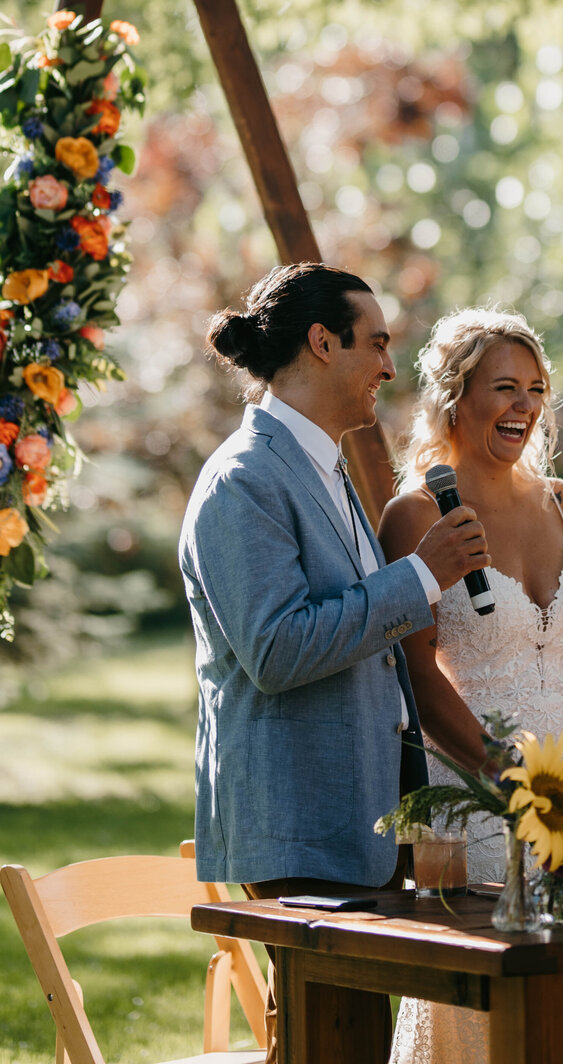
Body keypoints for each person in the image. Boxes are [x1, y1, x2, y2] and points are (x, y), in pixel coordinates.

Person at [179, 262, 491, 1064]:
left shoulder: (327, 467)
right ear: (323, 343)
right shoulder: (242, 482)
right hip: (297, 831)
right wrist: (421, 575)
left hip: (360, 825)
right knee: (331, 1048)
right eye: (377, 344)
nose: (390, 367)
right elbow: (277, 650)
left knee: (356, 1043)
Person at [379, 306, 563, 1064]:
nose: (524, 405)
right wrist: (510, 786)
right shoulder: (416, 514)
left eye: (535, 388)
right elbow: (417, 674)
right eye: (503, 387)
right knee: (492, 1026)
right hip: (480, 816)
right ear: (455, 399)